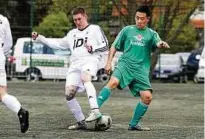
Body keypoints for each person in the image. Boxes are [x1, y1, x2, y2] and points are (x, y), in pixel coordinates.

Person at [32, 7, 108, 130]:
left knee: (85, 78)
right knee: (69, 94)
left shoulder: (95, 29)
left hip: (90, 60)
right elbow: (57, 44)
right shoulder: (72, 34)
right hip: (75, 64)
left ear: (85, 17)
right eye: (75, 20)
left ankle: (95, 110)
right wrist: (40, 38)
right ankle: (81, 121)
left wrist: (93, 48)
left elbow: (105, 46)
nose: (77, 22)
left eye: (79, 19)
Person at [96, 5, 170, 131]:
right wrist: (108, 62)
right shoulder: (127, 30)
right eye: (137, 18)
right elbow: (114, 46)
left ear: (148, 19)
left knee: (147, 97)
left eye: (142, 18)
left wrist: (161, 44)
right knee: (113, 82)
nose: (139, 21)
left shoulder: (152, 34)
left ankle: (134, 124)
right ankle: (94, 112)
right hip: (125, 65)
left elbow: (157, 42)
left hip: (141, 69)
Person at [0, 14, 29, 133]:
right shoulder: (3, 19)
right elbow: (9, 43)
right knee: (2, 93)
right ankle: (20, 111)